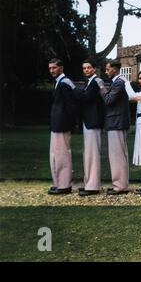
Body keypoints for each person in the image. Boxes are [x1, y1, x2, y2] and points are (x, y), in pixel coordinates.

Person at [97, 60, 130, 195]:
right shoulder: (117, 82)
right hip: (115, 122)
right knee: (117, 155)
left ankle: (120, 186)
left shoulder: (119, 82)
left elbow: (109, 100)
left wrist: (101, 87)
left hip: (117, 123)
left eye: (107, 69)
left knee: (118, 155)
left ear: (115, 69)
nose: (106, 72)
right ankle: (118, 184)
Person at [74, 59, 105, 196]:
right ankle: (89, 183)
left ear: (94, 69)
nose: (86, 70)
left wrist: (73, 88)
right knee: (88, 154)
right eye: (84, 68)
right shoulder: (89, 83)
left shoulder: (95, 82)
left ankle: (93, 186)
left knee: (92, 154)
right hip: (88, 122)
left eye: (88, 67)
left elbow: (86, 98)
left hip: (93, 122)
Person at [47, 58, 76, 195]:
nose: (52, 70)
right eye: (50, 68)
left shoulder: (65, 83)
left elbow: (70, 106)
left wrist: (70, 125)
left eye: (54, 68)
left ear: (61, 68)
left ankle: (64, 185)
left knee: (62, 155)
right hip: (56, 124)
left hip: (63, 125)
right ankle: (58, 183)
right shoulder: (58, 82)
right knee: (54, 155)